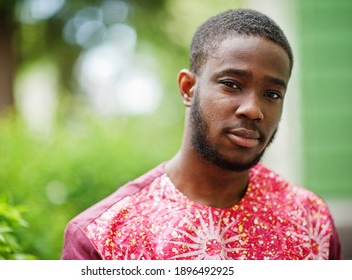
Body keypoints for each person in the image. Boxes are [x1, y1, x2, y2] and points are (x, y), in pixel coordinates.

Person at [61, 9, 342, 260]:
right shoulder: (102, 237)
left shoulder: (310, 220)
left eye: (272, 94)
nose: (253, 109)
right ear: (188, 88)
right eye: (231, 84)